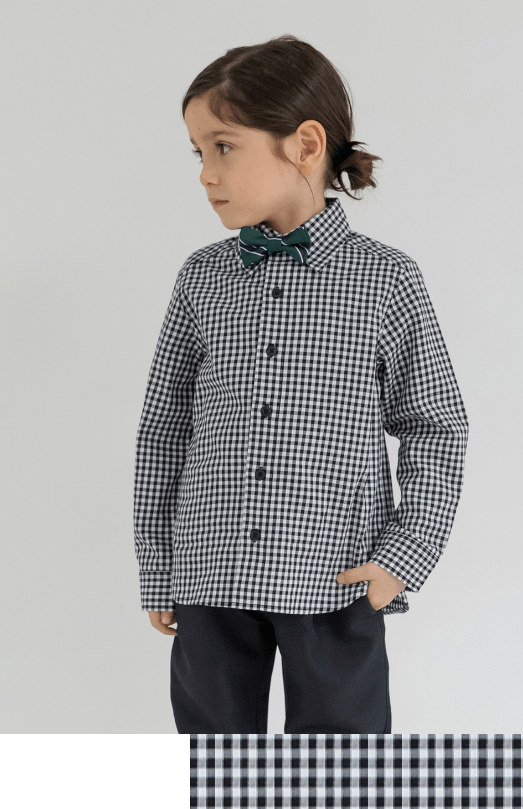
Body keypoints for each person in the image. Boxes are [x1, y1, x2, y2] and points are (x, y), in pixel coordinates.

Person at [133, 34, 469, 733]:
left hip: (336, 577)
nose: (206, 174)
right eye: (198, 153)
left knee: (342, 769)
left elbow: (435, 425)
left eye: (223, 147)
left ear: (305, 145)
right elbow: (164, 429)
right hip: (210, 571)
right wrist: (159, 564)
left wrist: (403, 556)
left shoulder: (386, 280)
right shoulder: (202, 278)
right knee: (210, 768)